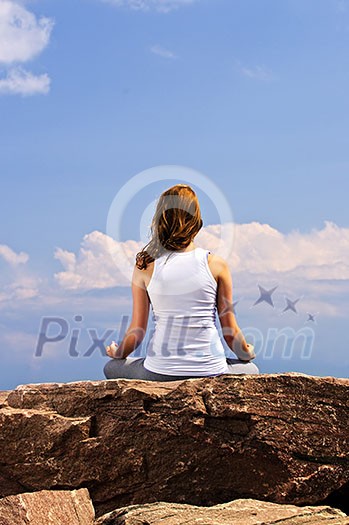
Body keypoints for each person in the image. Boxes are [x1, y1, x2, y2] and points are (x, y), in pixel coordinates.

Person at [104, 183, 259, 381]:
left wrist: (118, 353)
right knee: (252, 369)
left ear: (160, 221)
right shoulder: (217, 265)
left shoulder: (145, 265)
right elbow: (230, 331)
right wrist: (247, 352)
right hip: (210, 371)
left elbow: (137, 330)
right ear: (197, 222)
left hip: (159, 372)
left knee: (111, 367)